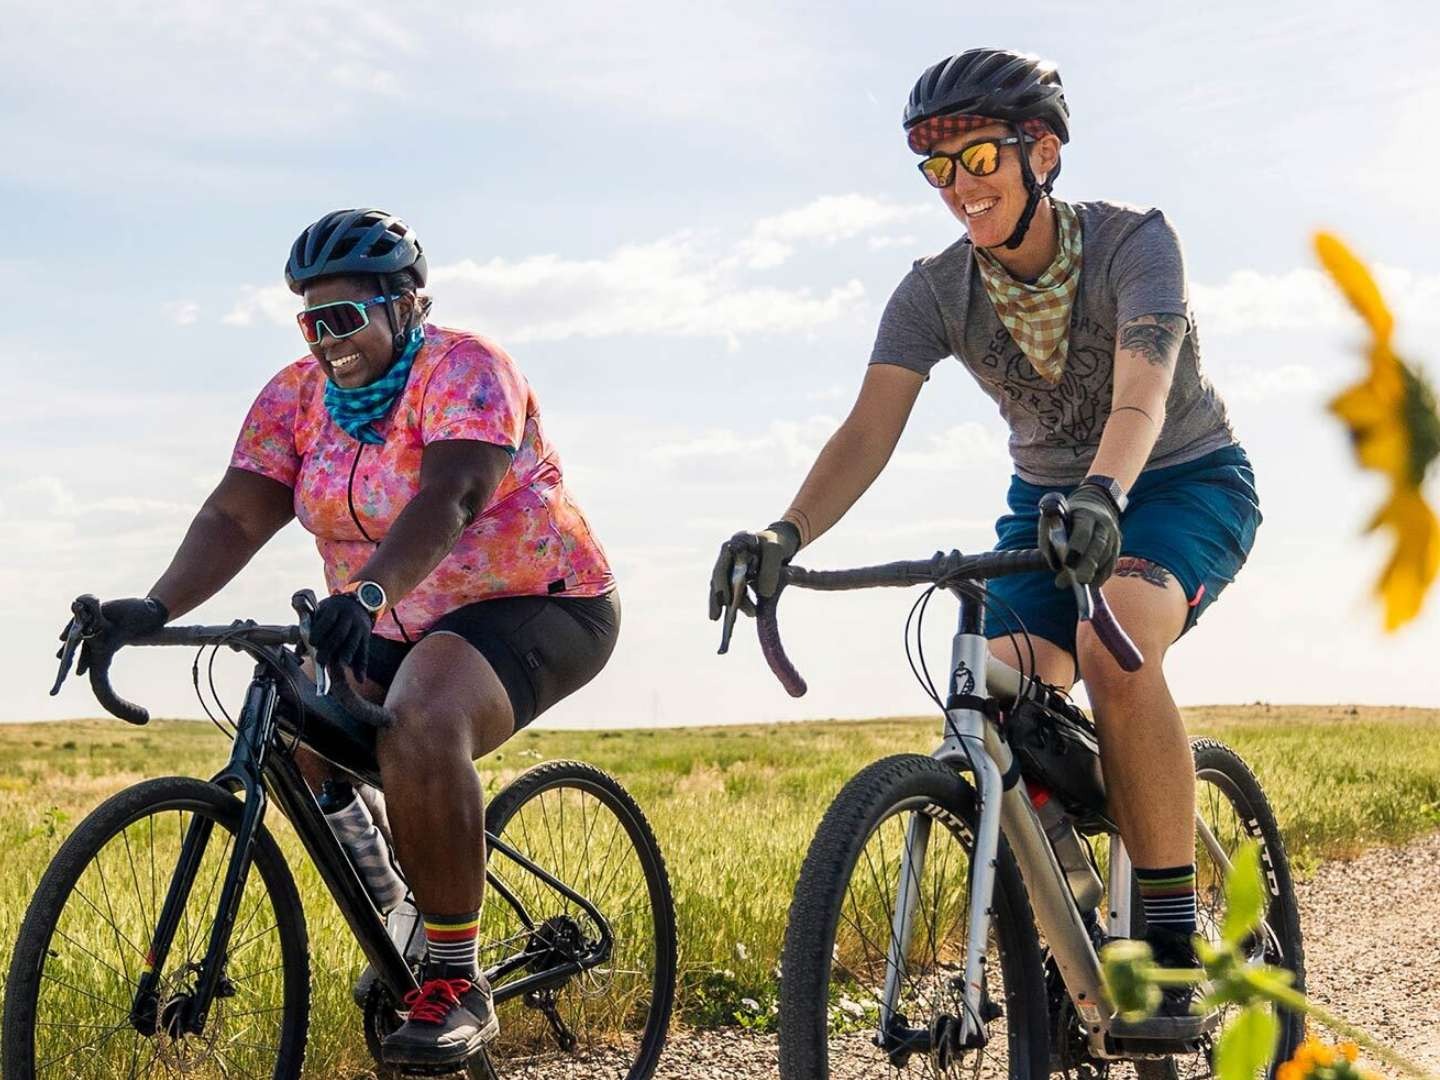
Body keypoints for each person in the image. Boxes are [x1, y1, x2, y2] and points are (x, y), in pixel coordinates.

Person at [709, 49, 1260, 1020]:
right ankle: (1071, 927)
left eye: (979, 161)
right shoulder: (931, 293)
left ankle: (1169, 938)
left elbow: (1142, 393)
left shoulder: (1138, 244)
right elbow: (866, 431)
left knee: (1112, 646)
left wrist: (1103, 493)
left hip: (1179, 480)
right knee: (992, 696)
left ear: (1040, 151)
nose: (960, 188)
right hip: (1047, 509)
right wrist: (783, 532)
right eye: (939, 170)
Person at [69, 208, 618, 1067]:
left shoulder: (467, 369)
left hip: (534, 600)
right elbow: (234, 512)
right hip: (383, 615)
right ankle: (403, 908)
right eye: (310, 320)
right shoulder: (295, 396)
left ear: (405, 305)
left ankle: (453, 975)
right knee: (304, 736)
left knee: (423, 721)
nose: (327, 338)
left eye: (344, 317)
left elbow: (453, 498)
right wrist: (155, 606)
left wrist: (365, 592)